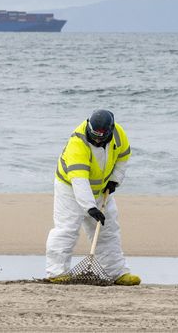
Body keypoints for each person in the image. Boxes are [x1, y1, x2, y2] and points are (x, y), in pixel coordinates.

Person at [45, 109, 141, 285]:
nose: (97, 139)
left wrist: (114, 180)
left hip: (101, 189)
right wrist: (90, 207)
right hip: (70, 188)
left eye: (100, 137)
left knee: (108, 230)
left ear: (110, 132)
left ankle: (116, 272)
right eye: (94, 135)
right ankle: (56, 272)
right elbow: (79, 179)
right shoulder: (78, 143)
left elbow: (123, 157)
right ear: (89, 127)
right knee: (67, 229)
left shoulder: (119, 135)